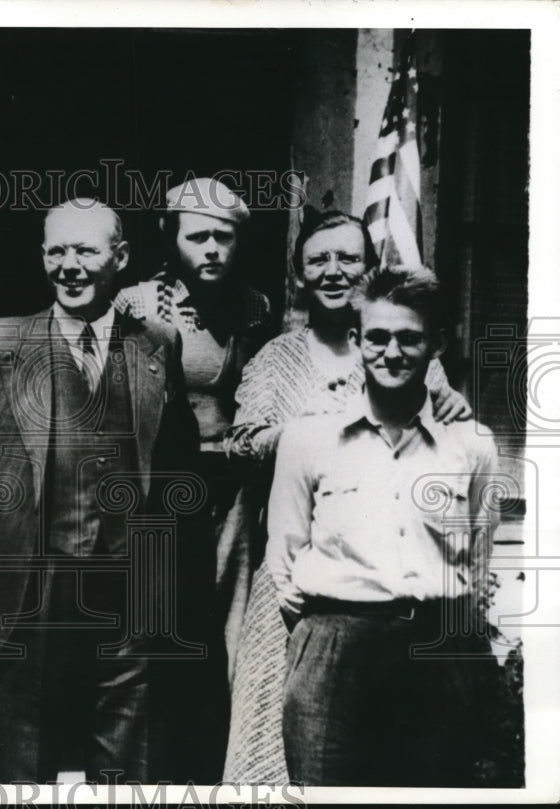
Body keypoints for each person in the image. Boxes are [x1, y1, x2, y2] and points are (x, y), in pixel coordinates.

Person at [0, 199, 200, 782]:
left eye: (86, 250)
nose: (69, 266)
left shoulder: (157, 345)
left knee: (127, 751)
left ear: (119, 258)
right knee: (18, 750)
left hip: (127, 584)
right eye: (56, 251)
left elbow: (176, 461)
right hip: (25, 580)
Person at [223, 209, 471, 782]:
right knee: (279, 737)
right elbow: (243, 444)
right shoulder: (277, 358)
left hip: (388, 586)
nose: (333, 270)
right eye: (318, 260)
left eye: (348, 257)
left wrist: (450, 410)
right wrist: (314, 425)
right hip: (298, 573)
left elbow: (447, 441)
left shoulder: (402, 346)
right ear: (300, 273)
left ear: (369, 267)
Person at [266, 265, 498, 786]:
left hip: (440, 649)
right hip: (334, 648)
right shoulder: (308, 438)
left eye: (410, 338)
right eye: (377, 337)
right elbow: (283, 557)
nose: (392, 352)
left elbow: (479, 560)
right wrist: (325, 636)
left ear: (436, 343)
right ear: (356, 340)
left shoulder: (473, 444)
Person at [114, 177, 271, 779]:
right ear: (171, 237)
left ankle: (226, 769)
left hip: (231, 491)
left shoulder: (252, 309)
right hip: (159, 494)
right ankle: (147, 770)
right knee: (157, 624)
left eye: (224, 238)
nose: (212, 250)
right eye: (198, 235)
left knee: (229, 623)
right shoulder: (135, 303)